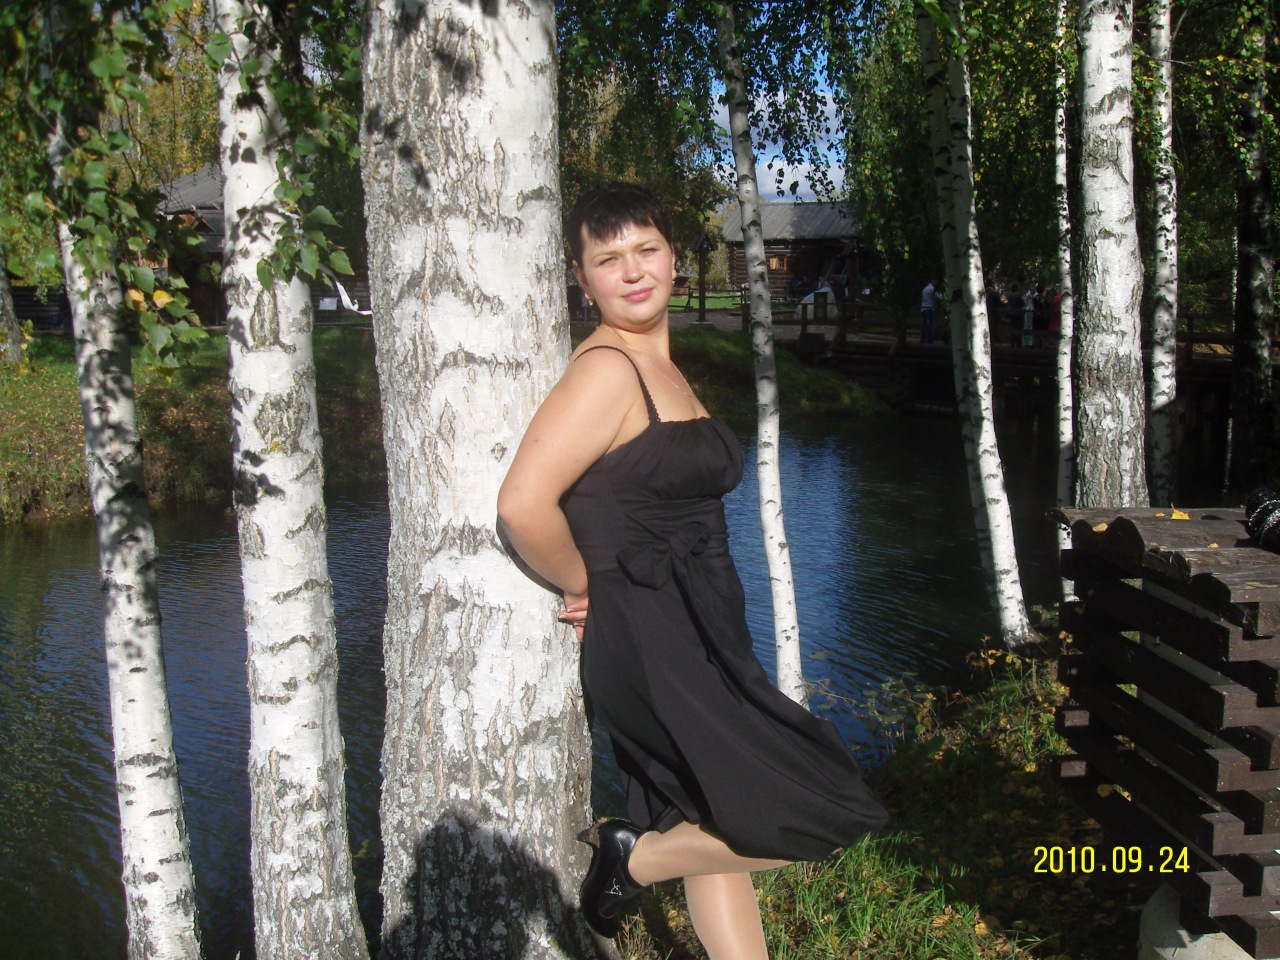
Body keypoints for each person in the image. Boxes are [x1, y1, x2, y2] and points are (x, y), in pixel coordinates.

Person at [497, 182, 888, 957]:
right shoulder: (608, 370)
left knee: (705, 815)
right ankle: (632, 861)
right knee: (823, 810)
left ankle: (656, 861)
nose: (632, 271)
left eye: (647, 250)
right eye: (608, 259)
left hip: (699, 623)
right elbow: (521, 506)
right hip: (651, 636)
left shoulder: (659, 364)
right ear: (582, 279)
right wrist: (583, 583)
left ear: (676, 259)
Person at [920, 278, 938, 344]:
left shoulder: (925, 289)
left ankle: (923, 340)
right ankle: (929, 341)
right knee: (929, 325)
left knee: (924, 325)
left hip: (923, 308)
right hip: (929, 308)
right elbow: (938, 297)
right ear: (933, 281)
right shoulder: (932, 289)